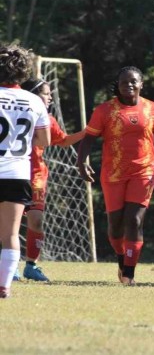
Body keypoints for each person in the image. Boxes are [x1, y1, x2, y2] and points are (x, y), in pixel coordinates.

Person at [77, 66, 154, 286]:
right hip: (113, 173)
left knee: (134, 220)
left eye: (133, 81)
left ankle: (129, 274)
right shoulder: (104, 110)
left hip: (144, 171)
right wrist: (81, 163)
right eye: (124, 82)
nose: (128, 85)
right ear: (118, 85)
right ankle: (122, 259)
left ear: (141, 84)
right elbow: (89, 138)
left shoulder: (153, 109)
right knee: (116, 226)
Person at [19, 78, 85, 281]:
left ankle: (31, 266)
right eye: (46, 94)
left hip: (36, 175)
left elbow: (63, 140)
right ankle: (8, 265)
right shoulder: (13, 112)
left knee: (36, 220)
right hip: (12, 172)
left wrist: (88, 132)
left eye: (50, 94)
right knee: (9, 221)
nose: (50, 98)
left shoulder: (48, 119)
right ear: (32, 95)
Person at [0, 45, 51, 298]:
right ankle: (4, 286)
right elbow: (44, 141)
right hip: (17, 173)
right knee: (10, 234)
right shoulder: (34, 101)